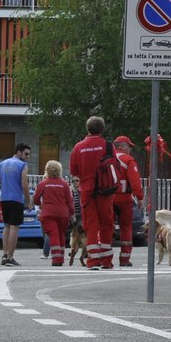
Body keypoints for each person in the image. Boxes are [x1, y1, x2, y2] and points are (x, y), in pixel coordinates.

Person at [69, 115, 116, 270]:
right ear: (102, 129)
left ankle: (93, 261)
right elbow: (114, 166)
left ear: (87, 129)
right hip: (105, 190)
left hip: (86, 191)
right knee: (107, 224)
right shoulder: (108, 146)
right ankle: (106, 261)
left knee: (91, 224)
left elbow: (74, 171)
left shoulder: (78, 147)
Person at [0, 142, 33, 267]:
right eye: (26, 154)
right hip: (16, 199)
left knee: (6, 226)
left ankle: (4, 255)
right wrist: (28, 201)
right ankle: (10, 257)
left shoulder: (2, 164)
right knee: (15, 227)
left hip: (4, 199)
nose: (27, 157)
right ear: (19, 152)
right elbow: (24, 184)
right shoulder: (22, 165)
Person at [33, 161, 75, 267]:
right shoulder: (64, 184)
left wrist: (40, 205)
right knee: (60, 235)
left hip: (48, 214)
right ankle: (60, 257)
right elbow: (69, 200)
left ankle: (56, 259)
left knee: (53, 235)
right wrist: (72, 212)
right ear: (59, 171)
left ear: (47, 170)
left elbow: (36, 199)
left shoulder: (43, 183)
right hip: (62, 214)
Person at [111, 135, 144, 267]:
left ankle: (105, 259)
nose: (130, 149)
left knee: (107, 227)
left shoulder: (106, 159)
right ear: (123, 146)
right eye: (129, 146)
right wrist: (140, 197)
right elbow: (135, 181)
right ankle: (124, 259)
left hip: (108, 199)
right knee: (126, 228)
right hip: (124, 199)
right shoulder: (128, 160)